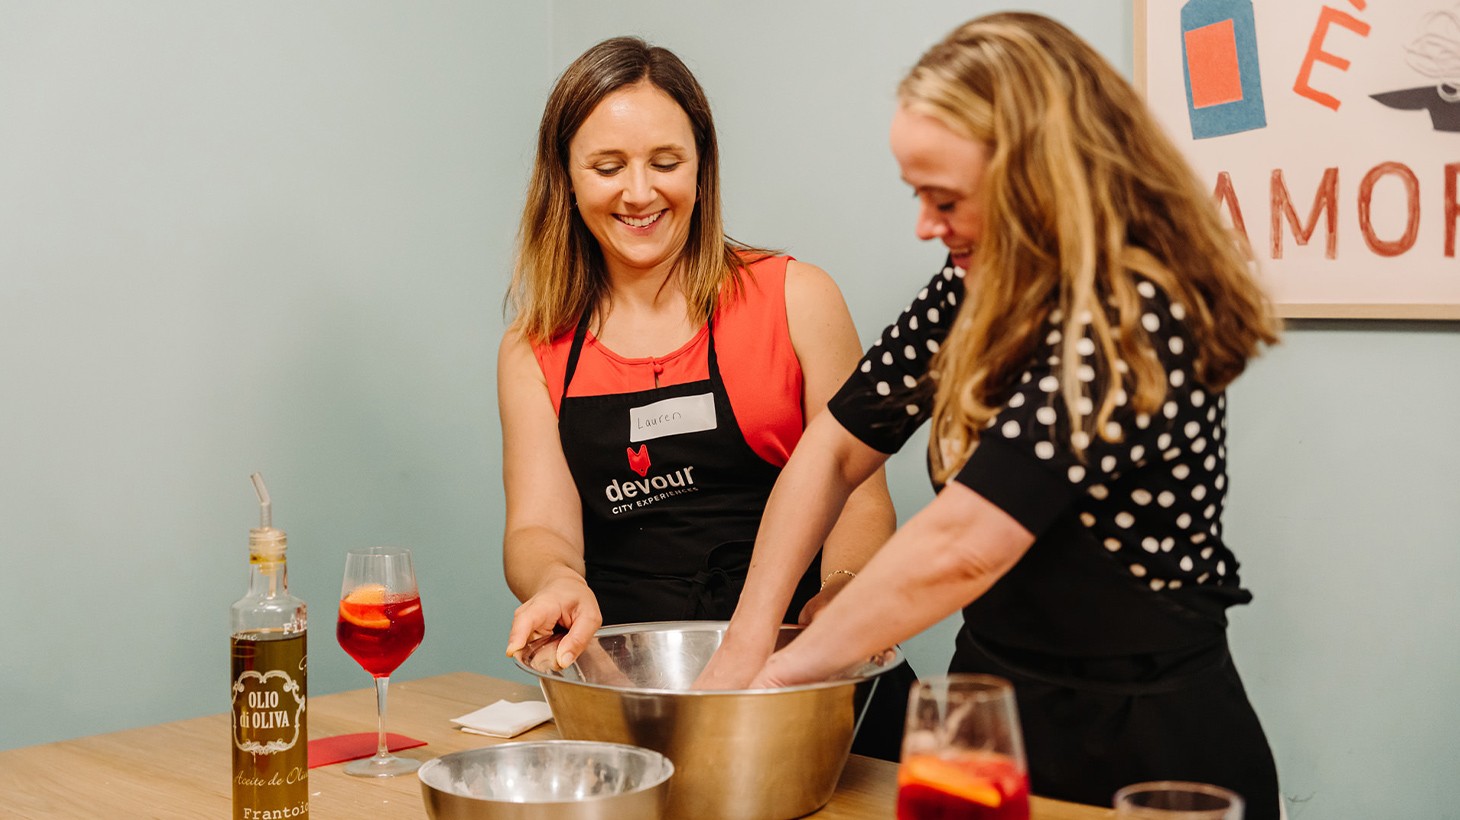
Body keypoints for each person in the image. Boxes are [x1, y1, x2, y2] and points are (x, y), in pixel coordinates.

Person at [701, 12, 1283, 816]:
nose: (925, 225)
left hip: (1142, 740)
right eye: (918, 195)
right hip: (997, 715)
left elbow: (966, 542)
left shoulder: (1135, 310)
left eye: (945, 199)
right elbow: (835, 448)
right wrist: (745, 640)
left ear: (1036, 177)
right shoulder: (978, 279)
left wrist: (779, 680)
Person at [496, 36, 911, 760]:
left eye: (666, 162)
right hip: (637, 691)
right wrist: (557, 579)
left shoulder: (797, 298)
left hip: (805, 675)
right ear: (564, 177)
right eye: (607, 167)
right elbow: (538, 526)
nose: (639, 193)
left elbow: (860, 497)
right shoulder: (535, 347)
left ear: (702, 165)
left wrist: (845, 590)